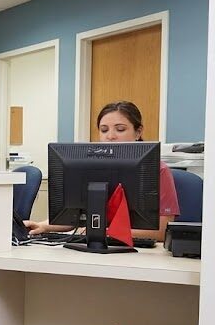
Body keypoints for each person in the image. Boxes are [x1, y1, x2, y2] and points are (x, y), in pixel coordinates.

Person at [25, 101, 179, 240]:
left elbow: (162, 231)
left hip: (139, 251)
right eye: (104, 130)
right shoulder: (88, 168)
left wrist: (103, 232)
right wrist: (43, 226)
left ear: (138, 132)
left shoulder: (159, 171)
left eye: (120, 129)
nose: (110, 136)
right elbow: (73, 216)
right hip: (95, 246)